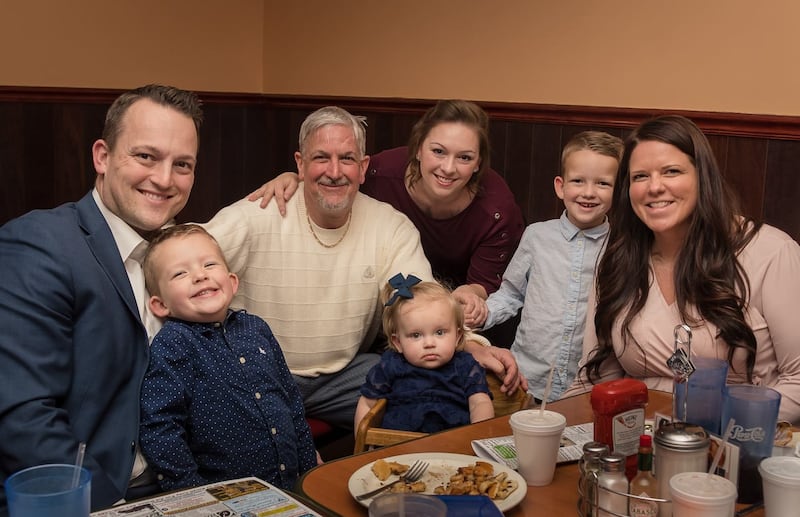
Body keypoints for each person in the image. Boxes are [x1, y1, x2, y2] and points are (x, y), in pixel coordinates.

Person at [204, 106, 522, 429]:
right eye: (320, 158)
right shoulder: (258, 213)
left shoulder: (391, 226)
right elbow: (179, 261)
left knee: (432, 387)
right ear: (300, 164)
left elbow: (420, 301)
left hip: (344, 376)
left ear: (363, 166)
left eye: (347, 159)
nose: (334, 171)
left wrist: (470, 345)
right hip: (257, 372)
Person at [0, 85, 203, 511]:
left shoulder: (184, 252)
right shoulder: (42, 244)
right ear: (102, 157)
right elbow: (24, 418)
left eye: (181, 164)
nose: (164, 179)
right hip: (97, 495)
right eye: (146, 156)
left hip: (185, 482)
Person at [566, 115, 800, 424]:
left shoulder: (770, 252)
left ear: (702, 177)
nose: (655, 187)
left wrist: (713, 434)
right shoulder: (618, 258)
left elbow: (798, 377)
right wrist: (546, 425)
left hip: (735, 448)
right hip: (635, 445)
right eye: (639, 177)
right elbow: (596, 377)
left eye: (671, 171)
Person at [249, 100, 526, 344]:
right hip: (387, 306)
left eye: (464, 157)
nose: (448, 167)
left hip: (451, 313)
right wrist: (293, 180)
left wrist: (469, 294)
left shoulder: (497, 210)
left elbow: (484, 283)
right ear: (417, 149)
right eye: (438, 151)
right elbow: (334, 177)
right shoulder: (380, 175)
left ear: (479, 163)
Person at [139, 224, 317, 491]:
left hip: (290, 487)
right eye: (180, 273)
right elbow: (161, 428)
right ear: (160, 305)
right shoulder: (173, 344)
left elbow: (291, 403)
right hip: (226, 497)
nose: (199, 276)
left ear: (232, 282)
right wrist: (192, 495)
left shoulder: (257, 329)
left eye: (209, 264)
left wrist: (310, 473)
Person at [476, 131, 622, 402]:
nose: (588, 192)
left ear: (619, 189)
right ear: (560, 186)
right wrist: (482, 314)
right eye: (578, 181)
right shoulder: (536, 236)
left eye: (603, 183)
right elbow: (511, 294)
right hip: (527, 380)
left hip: (589, 386)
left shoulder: (622, 248)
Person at [355, 274, 494, 433]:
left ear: (458, 337)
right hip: (397, 446)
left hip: (451, 445)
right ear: (398, 342)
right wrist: (363, 447)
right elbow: (367, 403)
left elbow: (480, 403)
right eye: (416, 335)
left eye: (440, 332)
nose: (429, 343)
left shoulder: (465, 366)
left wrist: (477, 435)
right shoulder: (390, 365)